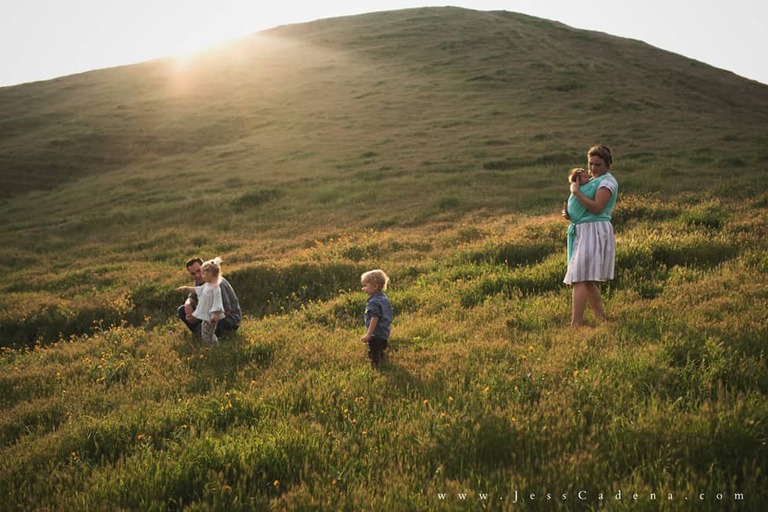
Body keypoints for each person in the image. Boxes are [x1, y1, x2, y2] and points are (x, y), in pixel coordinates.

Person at [563, 145, 619, 327]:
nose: (593, 169)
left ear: (607, 164)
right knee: (586, 280)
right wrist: (570, 213)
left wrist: (577, 192)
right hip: (584, 230)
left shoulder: (607, 182)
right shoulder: (593, 181)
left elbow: (596, 207)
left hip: (594, 230)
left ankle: (575, 324)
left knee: (579, 277)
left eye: (598, 165)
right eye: (590, 164)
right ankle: (601, 318)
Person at [176, 256, 242, 338]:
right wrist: (188, 305)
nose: (197, 275)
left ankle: (200, 333)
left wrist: (199, 316)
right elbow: (193, 296)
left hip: (227, 319)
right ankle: (201, 332)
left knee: (207, 329)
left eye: (199, 271)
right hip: (208, 315)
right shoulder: (199, 281)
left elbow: (226, 311)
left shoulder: (219, 284)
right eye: (193, 273)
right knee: (181, 310)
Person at [359, 269, 393, 368]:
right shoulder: (384, 298)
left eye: (365, 285)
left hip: (376, 333)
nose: (363, 288)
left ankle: (375, 367)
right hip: (384, 331)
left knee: (374, 352)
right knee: (380, 348)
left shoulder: (374, 302)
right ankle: (381, 356)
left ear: (374, 286)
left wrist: (369, 334)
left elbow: (375, 318)